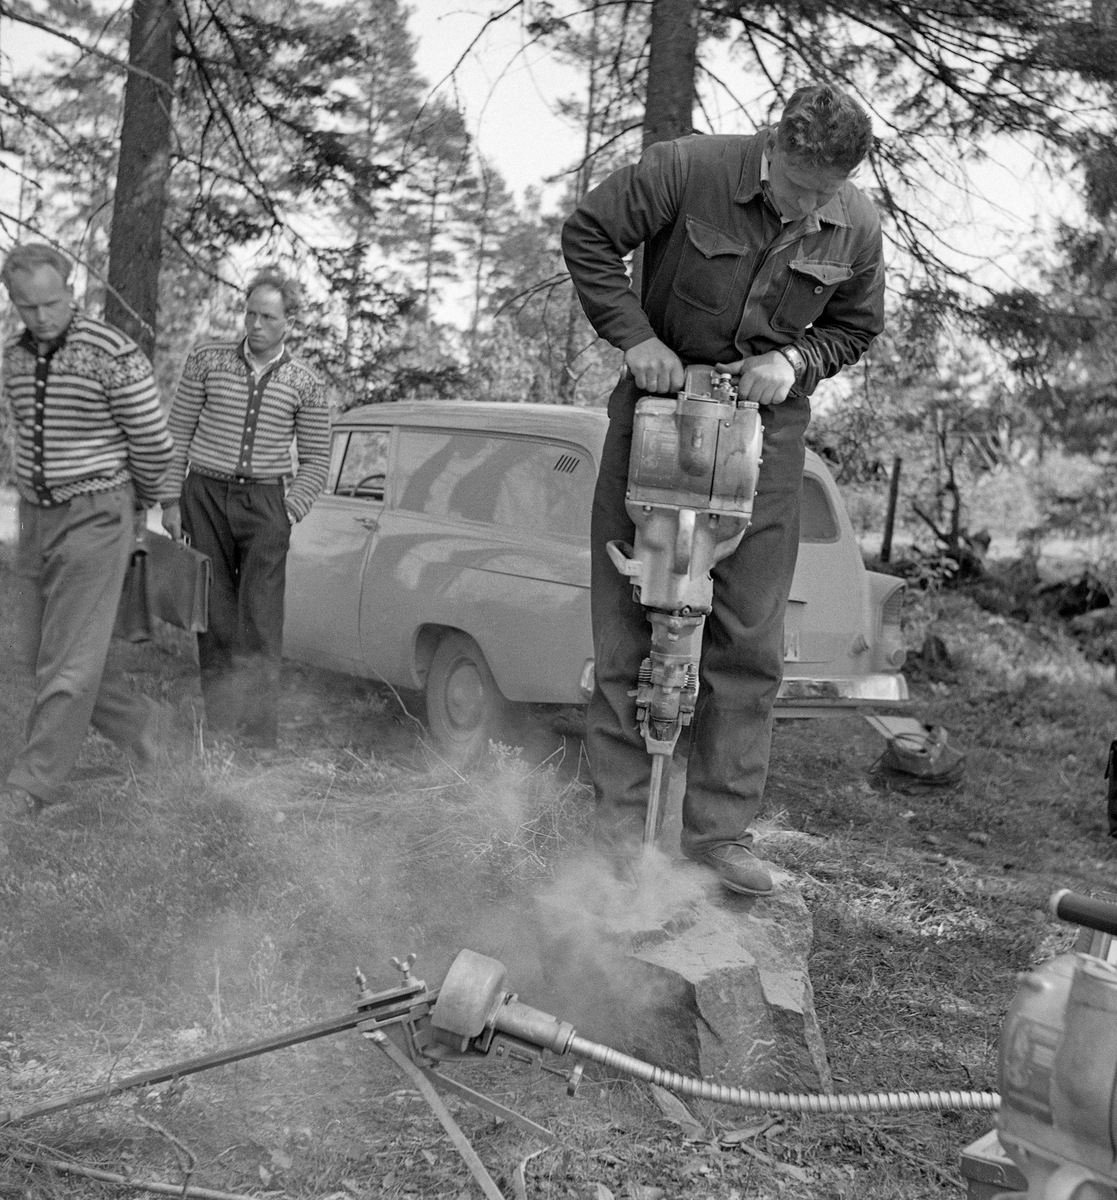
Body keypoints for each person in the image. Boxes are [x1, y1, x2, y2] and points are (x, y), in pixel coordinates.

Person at [562, 83, 885, 895]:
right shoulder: (683, 169)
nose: (809, 207)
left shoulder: (857, 223)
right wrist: (634, 337)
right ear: (770, 146)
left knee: (746, 644)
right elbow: (588, 235)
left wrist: (795, 362)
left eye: (825, 193)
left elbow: (855, 325)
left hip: (765, 440)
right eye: (796, 186)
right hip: (659, 415)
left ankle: (718, 837)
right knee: (632, 628)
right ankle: (612, 833)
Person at [0, 243, 174, 832]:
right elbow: (24, 432)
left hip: (97, 512)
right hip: (36, 516)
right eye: (27, 307)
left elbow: (152, 442)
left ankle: (34, 785)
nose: (41, 317)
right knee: (32, 652)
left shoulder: (111, 352)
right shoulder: (14, 358)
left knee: (67, 661)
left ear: (72, 292)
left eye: (51, 303)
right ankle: (145, 727)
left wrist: (138, 503)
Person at [160, 269, 329, 751]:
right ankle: (220, 728)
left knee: (261, 619)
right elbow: (176, 436)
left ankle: (256, 740)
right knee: (213, 614)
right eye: (250, 314)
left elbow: (317, 459)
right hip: (205, 496)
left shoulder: (307, 383)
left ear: (288, 322)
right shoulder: (206, 361)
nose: (254, 325)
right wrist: (171, 501)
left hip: (265, 504)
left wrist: (289, 511)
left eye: (267, 317)